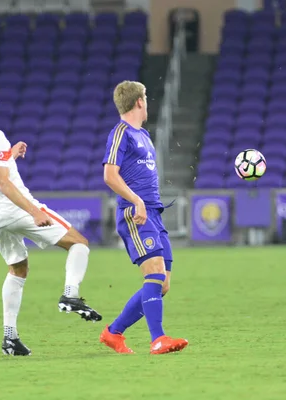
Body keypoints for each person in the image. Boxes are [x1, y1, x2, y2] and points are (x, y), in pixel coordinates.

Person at [0, 79, 102, 356]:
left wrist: (8, 157)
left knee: (18, 270)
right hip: (16, 208)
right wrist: (34, 212)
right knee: (79, 243)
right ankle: (70, 294)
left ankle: (10, 338)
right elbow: (4, 184)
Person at [99, 81, 188, 355]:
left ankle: (113, 333)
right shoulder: (121, 133)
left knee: (163, 284)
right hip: (135, 213)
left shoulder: (144, 135)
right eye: (146, 98)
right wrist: (137, 201)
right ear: (139, 102)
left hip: (153, 213)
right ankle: (157, 339)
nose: (147, 102)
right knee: (155, 273)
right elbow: (109, 175)